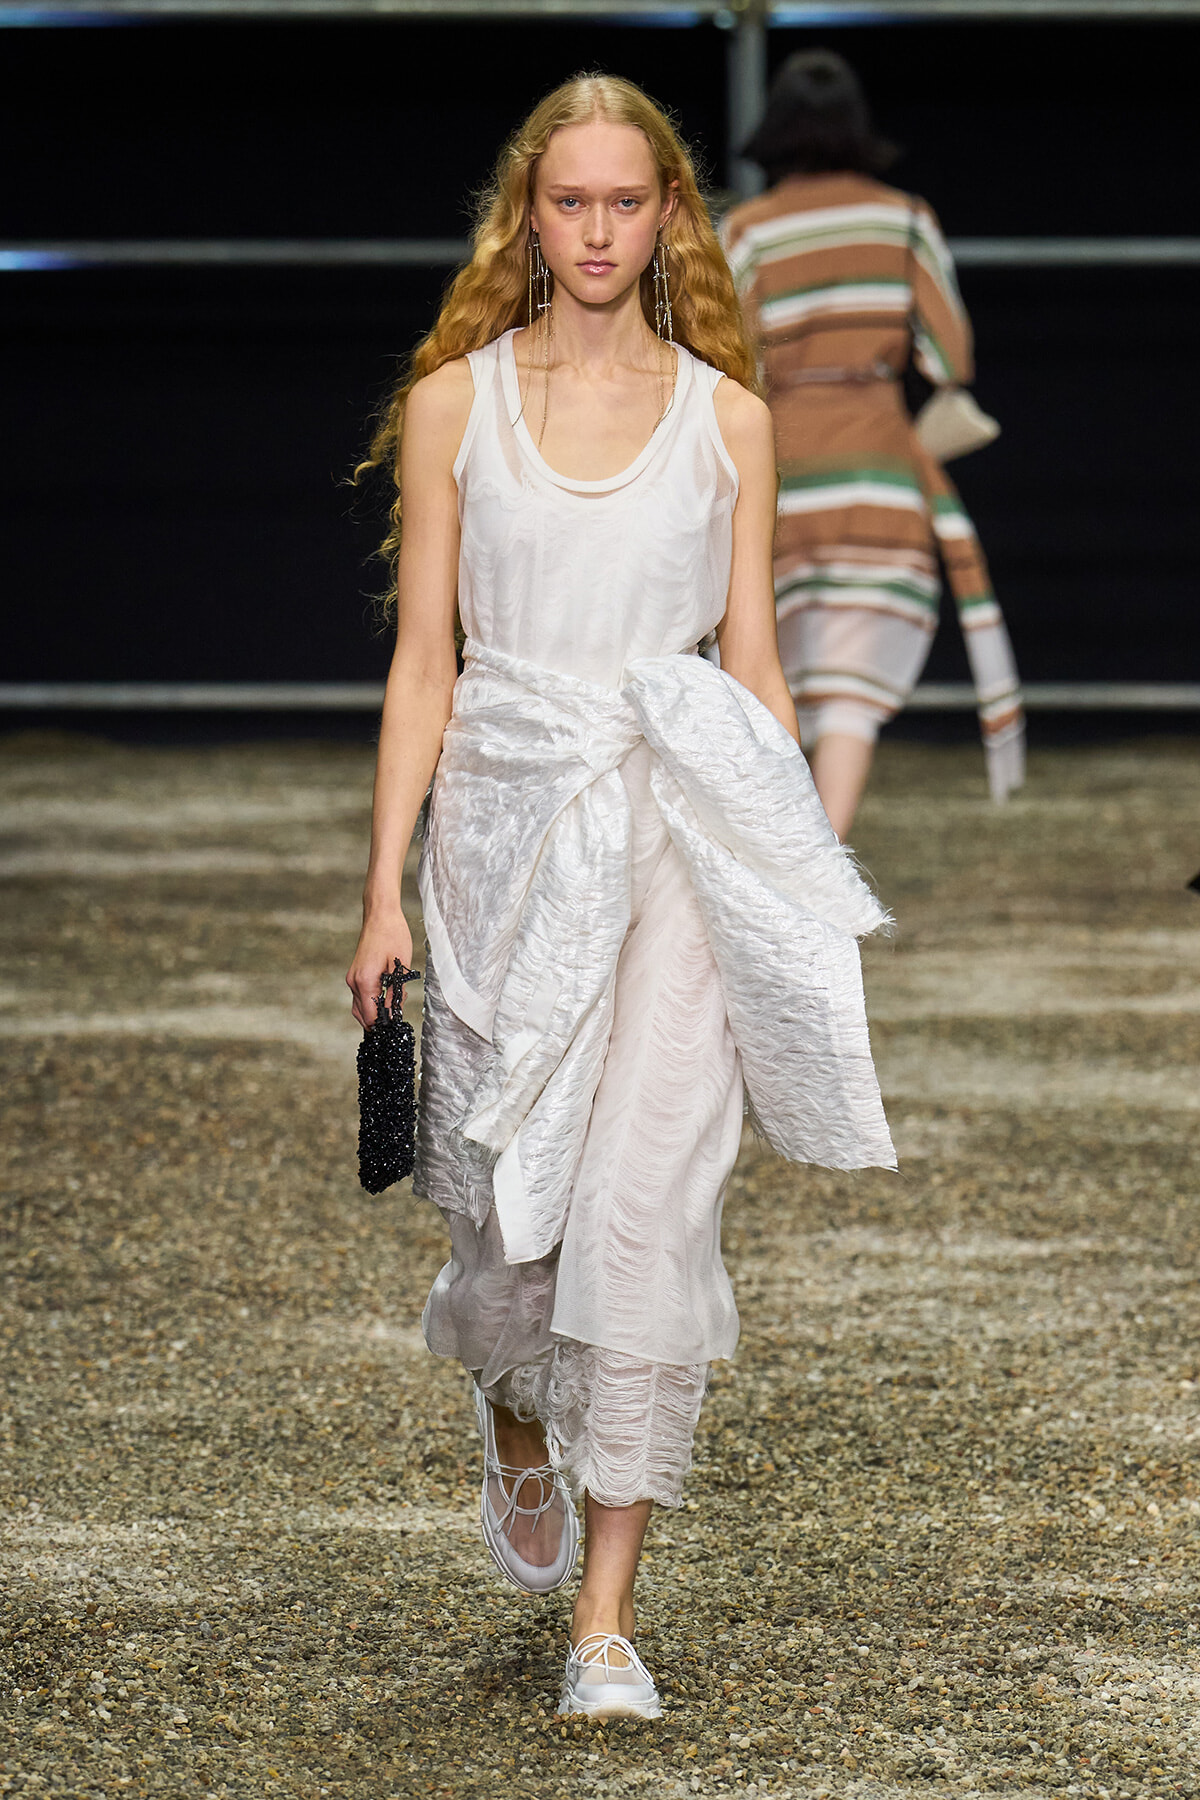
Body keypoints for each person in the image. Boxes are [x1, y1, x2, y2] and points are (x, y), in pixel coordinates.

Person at [346, 72, 895, 1721]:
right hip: (505, 830)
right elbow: (425, 660)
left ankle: (605, 1622)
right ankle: (514, 1413)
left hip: (673, 828)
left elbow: (755, 666)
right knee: (504, 1229)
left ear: (670, 218)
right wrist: (381, 894)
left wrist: (795, 884)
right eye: (570, 201)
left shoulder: (729, 418)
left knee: (647, 1211)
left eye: (626, 202)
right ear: (529, 214)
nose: (597, 231)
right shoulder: (457, 403)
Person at [721, 49, 1024, 841]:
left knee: (769, 677)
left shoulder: (750, 231)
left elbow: (726, 361)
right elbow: (951, 360)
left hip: (781, 476)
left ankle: (778, 864)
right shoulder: (905, 219)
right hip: (882, 473)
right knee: (852, 695)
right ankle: (818, 869)